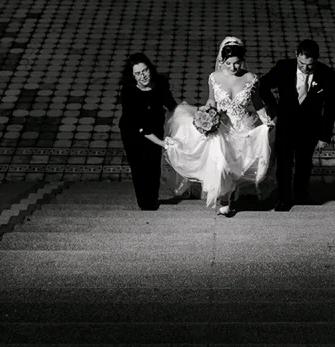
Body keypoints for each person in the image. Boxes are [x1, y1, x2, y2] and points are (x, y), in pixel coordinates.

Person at [164, 37, 275, 215]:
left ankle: (229, 194)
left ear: (242, 61)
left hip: (242, 127)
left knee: (238, 166)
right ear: (222, 61)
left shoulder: (251, 79)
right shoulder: (214, 77)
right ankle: (224, 197)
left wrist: (265, 119)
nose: (233, 68)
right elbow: (211, 99)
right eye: (228, 63)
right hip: (221, 127)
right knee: (221, 164)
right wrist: (208, 113)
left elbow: (257, 103)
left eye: (237, 63)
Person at [260, 39, 335, 211]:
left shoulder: (326, 74)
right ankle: (284, 198)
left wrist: (325, 135)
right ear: (296, 55)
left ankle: (301, 193)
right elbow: (262, 85)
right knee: (284, 163)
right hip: (286, 124)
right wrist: (274, 109)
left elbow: (331, 107)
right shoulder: (283, 67)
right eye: (302, 63)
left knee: (304, 163)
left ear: (316, 60)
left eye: (310, 65)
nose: (305, 68)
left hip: (310, 127)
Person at [118, 53, 177, 210]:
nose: (142, 76)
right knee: (139, 167)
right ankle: (145, 204)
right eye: (137, 73)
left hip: (155, 126)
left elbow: (171, 105)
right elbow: (140, 125)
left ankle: (153, 200)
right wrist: (162, 143)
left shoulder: (160, 83)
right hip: (133, 132)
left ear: (150, 69)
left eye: (145, 71)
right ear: (132, 76)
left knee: (153, 164)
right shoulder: (128, 92)